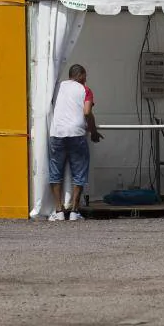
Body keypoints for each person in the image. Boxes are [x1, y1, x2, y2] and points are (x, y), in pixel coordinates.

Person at [48, 64, 103, 221]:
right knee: (79, 172)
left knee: (55, 172)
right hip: (77, 134)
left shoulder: (56, 87)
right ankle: (74, 211)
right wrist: (93, 131)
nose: (85, 80)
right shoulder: (85, 90)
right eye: (85, 77)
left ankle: (58, 212)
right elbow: (87, 112)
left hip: (57, 132)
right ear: (80, 75)